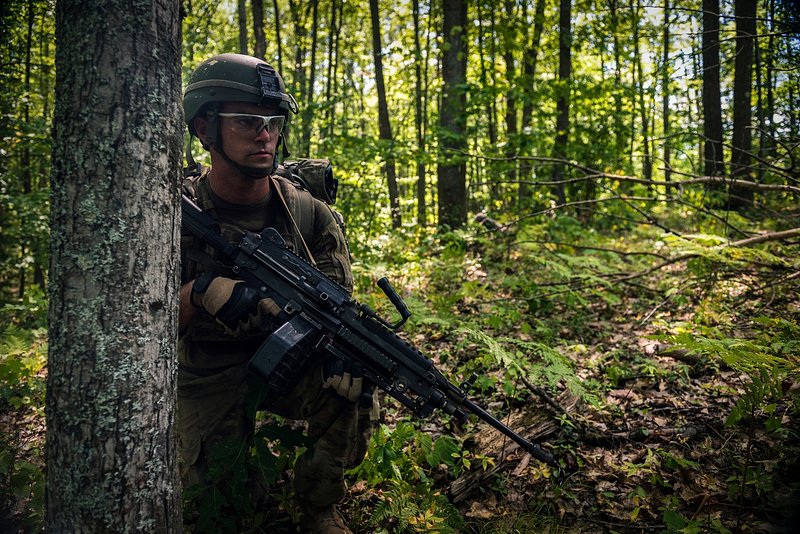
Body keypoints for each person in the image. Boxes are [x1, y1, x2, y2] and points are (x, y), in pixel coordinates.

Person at [178, 53, 377, 533]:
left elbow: (339, 306)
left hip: (288, 363)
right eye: (246, 122)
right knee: (222, 511)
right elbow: (133, 326)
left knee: (350, 380)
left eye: (272, 122)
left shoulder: (310, 216)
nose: (264, 135)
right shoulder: (171, 214)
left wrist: (344, 354)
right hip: (206, 370)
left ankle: (318, 506)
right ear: (205, 129)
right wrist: (200, 293)